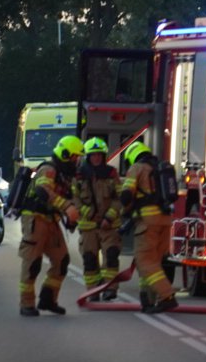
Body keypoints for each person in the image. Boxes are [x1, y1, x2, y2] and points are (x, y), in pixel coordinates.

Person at [17, 135, 82, 317]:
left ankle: (48, 299)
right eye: (75, 157)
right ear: (65, 154)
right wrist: (66, 207)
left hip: (51, 220)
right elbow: (42, 190)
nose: (77, 161)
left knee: (62, 261)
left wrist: (73, 217)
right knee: (33, 263)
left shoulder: (66, 176)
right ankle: (26, 303)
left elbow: (71, 198)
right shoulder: (48, 169)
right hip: (35, 218)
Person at [119, 141, 178, 313]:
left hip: (148, 223)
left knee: (145, 262)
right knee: (154, 264)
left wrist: (125, 212)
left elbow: (126, 196)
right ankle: (148, 300)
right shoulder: (159, 168)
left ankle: (167, 297)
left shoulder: (137, 168)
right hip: (165, 221)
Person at [74, 136, 124, 301]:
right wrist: (88, 213)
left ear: (103, 156)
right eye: (93, 155)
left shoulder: (111, 173)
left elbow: (119, 198)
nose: (96, 158)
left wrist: (109, 217)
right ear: (88, 157)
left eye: (99, 155)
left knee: (111, 255)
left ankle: (110, 288)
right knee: (89, 260)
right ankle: (93, 291)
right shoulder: (79, 176)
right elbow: (74, 199)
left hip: (109, 226)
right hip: (88, 226)